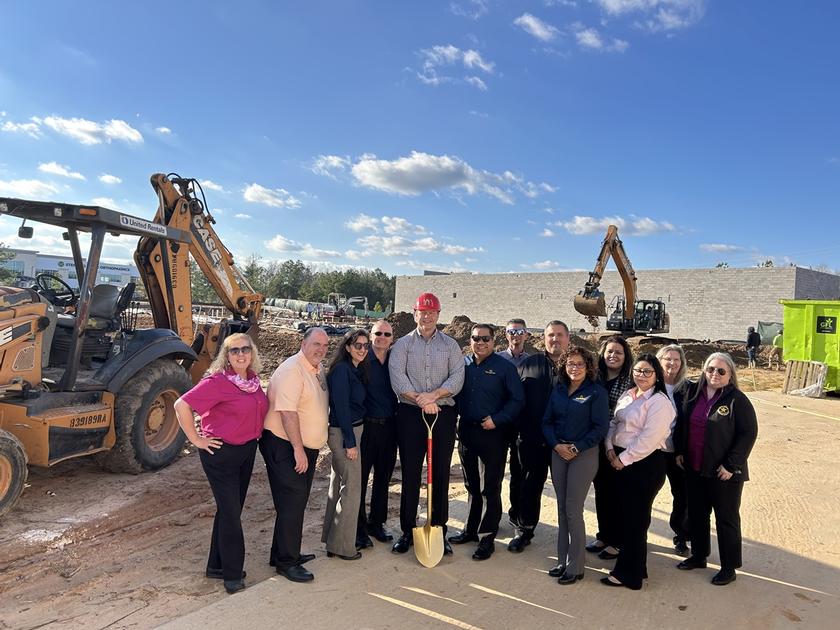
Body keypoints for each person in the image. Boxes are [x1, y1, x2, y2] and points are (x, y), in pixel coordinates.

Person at [174, 333, 268, 595]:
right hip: (221, 454)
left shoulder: (251, 381)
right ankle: (232, 574)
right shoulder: (217, 381)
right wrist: (196, 440)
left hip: (247, 451)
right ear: (226, 356)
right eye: (234, 350)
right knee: (230, 513)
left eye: (245, 349)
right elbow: (181, 405)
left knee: (231, 510)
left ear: (252, 353)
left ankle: (216, 565)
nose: (241, 354)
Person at [388, 293, 465, 555]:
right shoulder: (402, 345)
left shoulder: (451, 346)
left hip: (442, 416)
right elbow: (398, 377)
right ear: (415, 313)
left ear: (438, 315)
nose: (427, 316)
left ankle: (438, 528)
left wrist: (434, 396)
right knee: (411, 472)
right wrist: (421, 400)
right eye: (423, 311)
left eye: (432, 312)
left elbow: (457, 378)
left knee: (440, 472)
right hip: (411, 415)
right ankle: (408, 530)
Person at [675, 352, 758, 586]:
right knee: (698, 514)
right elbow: (683, 424)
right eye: (711, 369)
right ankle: (699, 556)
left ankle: (729, 566)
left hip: (724, 473)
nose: (715, 374)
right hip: (695, 468)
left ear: (730, 375)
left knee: (726, 519)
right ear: (704, 370)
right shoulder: (693, 394)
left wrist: (732, 464)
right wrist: (680, 451)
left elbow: (748, 434)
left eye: (721, 371)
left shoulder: (737, 400)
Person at [261, 327, 330, 583]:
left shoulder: (316, 367)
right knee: (292, 503)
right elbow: (287, 413)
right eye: (316, 344)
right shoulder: (293, 369)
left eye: (324, 345)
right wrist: (298, 450)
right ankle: (287, 562)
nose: (321, 349)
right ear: (303, 343)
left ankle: (280, 553)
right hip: (285, 446)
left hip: (300, 447)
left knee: (294, 503)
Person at [450, 324, 524, 560]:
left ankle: (487, 537)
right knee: (471, 485)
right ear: (470, 341)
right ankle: (470, 530)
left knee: (490, 487)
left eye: (485, 339)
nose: (480, 343)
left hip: (493, 433)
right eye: (475, 338)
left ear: (494, 341)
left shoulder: (505, 368)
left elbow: (517, 399)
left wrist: (498, 419)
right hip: (467, 432)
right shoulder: (463, 365)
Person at [601, 353, 674, 590]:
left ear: (656, 376)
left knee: (635, 521)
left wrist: (623, 459)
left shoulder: (660, 402)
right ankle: (637, 568)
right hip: (619, 459)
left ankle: (628, 575)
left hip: (643, 465)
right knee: (626, 518)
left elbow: (649, 439)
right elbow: (614, 423)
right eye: (637, 371)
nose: (641, 376)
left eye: (647, 372)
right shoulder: (628, 395)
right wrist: (610, 447)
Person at [541, 346, 609, 585]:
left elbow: (600, 427)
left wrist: (576, 447)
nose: (575, 368)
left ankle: (576, 566)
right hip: (558, 452)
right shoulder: (558, 390)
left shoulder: (596, 392)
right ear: (564, 366)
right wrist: (556, 445)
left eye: (580, 364)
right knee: (561, 509)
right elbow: (546, 421)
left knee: (573, 509)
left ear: (588, 367)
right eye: (570, 364)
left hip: (584, 454)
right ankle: (562, 560)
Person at [509, 320, 570, 553]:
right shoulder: (528, 365)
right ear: (543, 339)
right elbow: (516, 400)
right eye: (551, 335)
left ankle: (568, 534)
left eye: (560, 335)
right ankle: (524, 529)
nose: (555, 339)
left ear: (568, 338)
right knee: (527, 485)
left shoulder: (576, 367)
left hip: (564, 443)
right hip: (531, 439)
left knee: (567, 491)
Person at [322, 329, 370, 561]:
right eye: (358, 345)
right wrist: (350, 443)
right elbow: (341, 408)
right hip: (345, 433)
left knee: (339, 485)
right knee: (352, 490)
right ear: (348, 347)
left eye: (365, 346)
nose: (362, 349)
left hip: (349, 431)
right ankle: (344, 547)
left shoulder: (354, 369)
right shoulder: (342, 371)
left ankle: (333, 542)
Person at [587, 335, 634, 560]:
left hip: (618, 444)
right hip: (595, 441)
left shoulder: (631, 381)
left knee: (619, 493)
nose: (613, 356)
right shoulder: (594, 377)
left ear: (626, 357)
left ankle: (618, 540)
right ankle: (604, 535)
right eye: (609, 351)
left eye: (618, 352)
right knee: (602, 490)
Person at [357, 320, 399, 549]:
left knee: (383, 478)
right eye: (378, 333)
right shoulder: (361, 361)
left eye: (387, 334)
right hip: (367, 428)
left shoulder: (396, 362)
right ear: (371, 336)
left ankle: (377, 523)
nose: (382, 337)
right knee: (361, 480)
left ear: (392, 337)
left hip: (390, 428)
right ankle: (359, 527)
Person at [656, 344, 691, 556]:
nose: (672, 363)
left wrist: (684, 450)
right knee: (647, 493)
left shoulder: (687, 389)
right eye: (667, 359)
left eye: (676, 360)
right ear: (659, 362)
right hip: (655, 452)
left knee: (682, 496)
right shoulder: (652, 387)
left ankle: (681, 535)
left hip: (677, 453)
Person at [497, 318, 530, 530]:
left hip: (521, 424)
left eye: (520, 332)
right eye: (511, 332)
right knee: (494, 472)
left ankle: (516, 514)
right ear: (505, 334)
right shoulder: (497, 360)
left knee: (518, 472)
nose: (515, 336)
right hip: (499, 422)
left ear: (526, 335)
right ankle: (489, 517)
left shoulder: (533, 361)